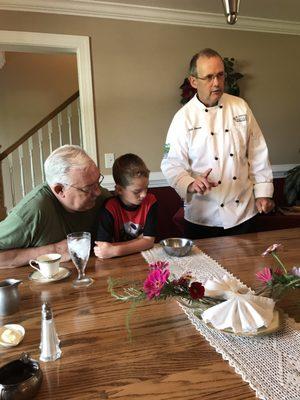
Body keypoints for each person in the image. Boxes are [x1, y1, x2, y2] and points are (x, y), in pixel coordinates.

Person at [161, 48, 274, 239]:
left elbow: (257, 151)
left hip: (243, 214)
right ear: (193, 81)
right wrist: (190, 183)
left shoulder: (240, 106)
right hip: (202, 217)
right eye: (209, 77)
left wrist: (263, 192)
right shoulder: (183, 118)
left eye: (220, 75)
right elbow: (171, 163)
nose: (217, 83)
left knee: (247, 268)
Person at [0, 145, 111, 268]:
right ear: (60, 190)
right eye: (88, 188)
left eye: (97, 182)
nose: (97, 192)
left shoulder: (102, 198)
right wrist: (53, 250)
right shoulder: (32, 211)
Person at [94, 153, 157, 259]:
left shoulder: (150, 202)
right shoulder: (109, 207)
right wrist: (139, 241)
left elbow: (149, 241)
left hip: (145, 258)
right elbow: (103, 247)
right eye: (137, 191)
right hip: (117, 263)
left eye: (146, 188)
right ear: (119, 190)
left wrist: (115, 250)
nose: (144, 195)